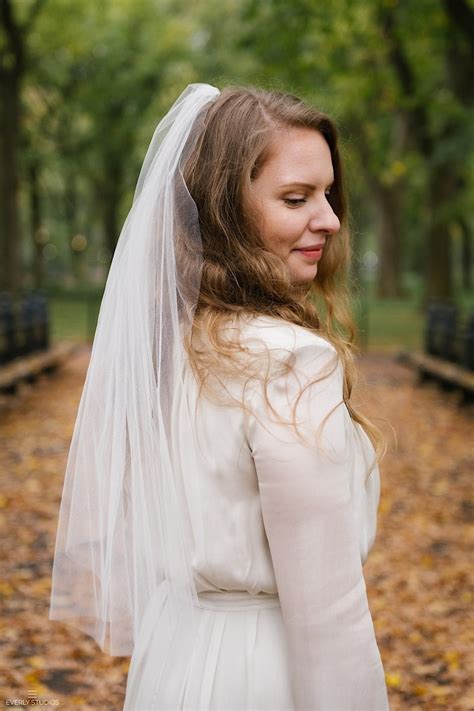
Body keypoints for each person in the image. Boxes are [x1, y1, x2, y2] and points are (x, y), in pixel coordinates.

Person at [49, 83, 390, 710]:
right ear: (227, 210)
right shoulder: (290, 362)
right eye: (297, 198)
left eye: (327, 194)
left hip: (172, 659)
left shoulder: (166, 347)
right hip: (266, 675)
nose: (331, 219)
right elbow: (326, 609)